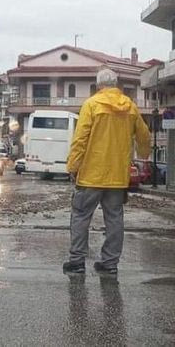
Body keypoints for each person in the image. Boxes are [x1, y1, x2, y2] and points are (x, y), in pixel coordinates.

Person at [63, 68, 151, 276]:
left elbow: (80, 138)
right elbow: (144, 136)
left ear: (99, 85)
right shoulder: (130, 107)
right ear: (116, 84)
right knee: (114, 219)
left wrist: (72, 166)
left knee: (81, 217)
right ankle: (109, 264)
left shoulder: (91, 105)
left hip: (90, 176)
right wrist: (144, 156)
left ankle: (76, 262)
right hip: (117, 177)